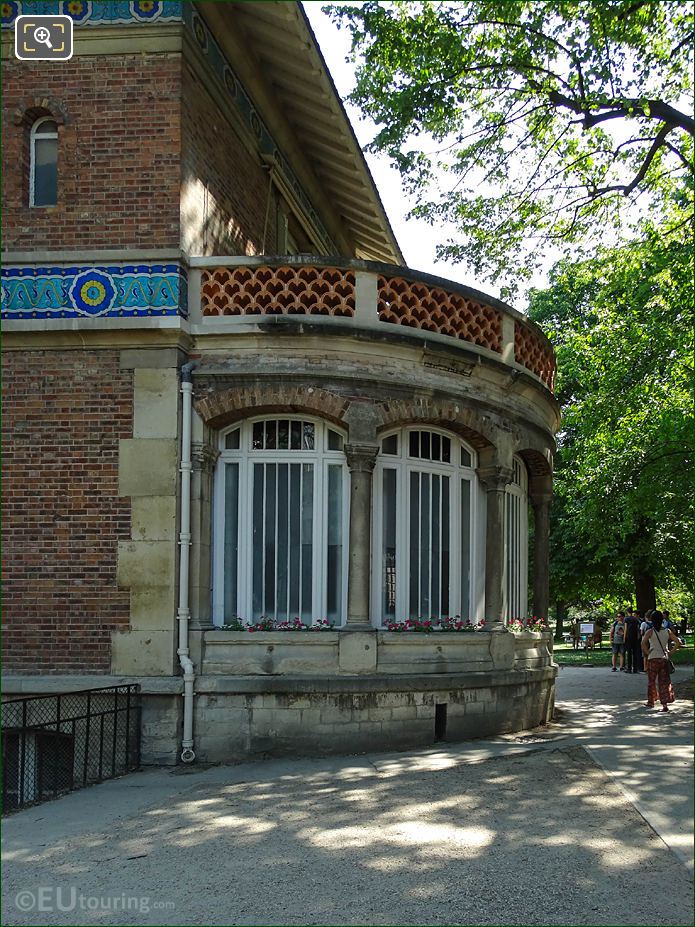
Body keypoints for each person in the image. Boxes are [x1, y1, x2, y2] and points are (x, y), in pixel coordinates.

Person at [641, 610, 681, 711]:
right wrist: (671, 652)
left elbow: (643, 643)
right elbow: (677, 642)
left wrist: (647, 652)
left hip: (653, 658)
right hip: (664, 658)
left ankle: (651, 701)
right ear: (662, 619)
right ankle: (665, 704)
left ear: (652, 620)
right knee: (664, 682)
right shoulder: (667, 631)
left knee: (651, 681)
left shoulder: (650, 632)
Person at [624, 608, 642, 674]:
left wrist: (624, 637)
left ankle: (629, 668)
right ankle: (635, 668)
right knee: (635, 653)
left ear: (627, 612)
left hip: (628, 637)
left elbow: (625, 628)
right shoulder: (635, 619)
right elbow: (637, 629)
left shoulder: (626, 619)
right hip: (635, 638)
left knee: (629, 653)